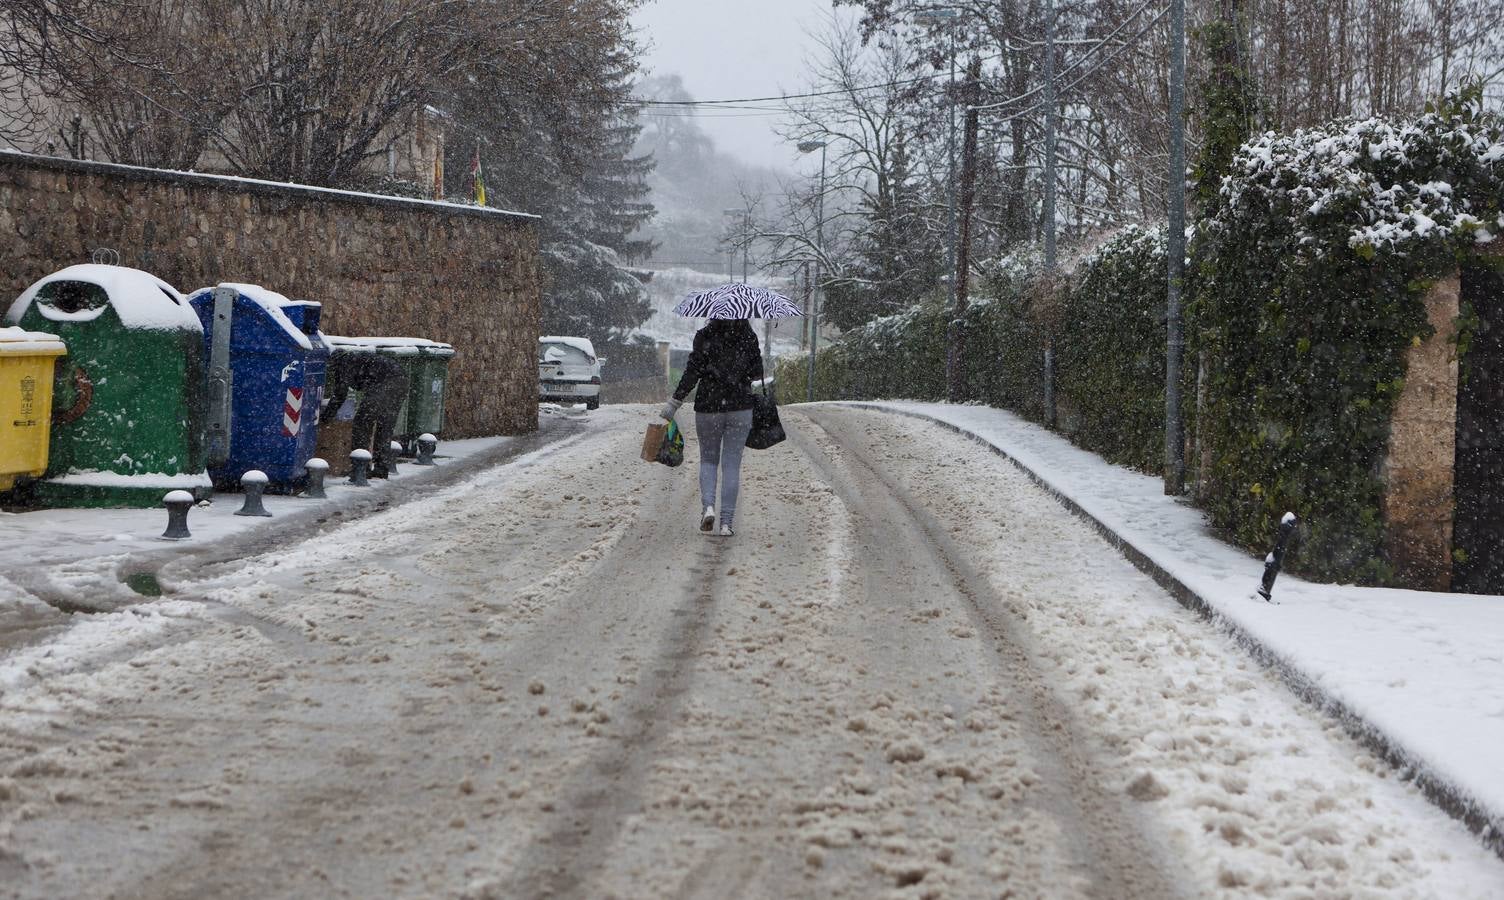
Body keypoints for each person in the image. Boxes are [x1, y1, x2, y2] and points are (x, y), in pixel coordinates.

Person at [660, 318, 764, 537]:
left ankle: (708, 507)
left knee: (708, 460)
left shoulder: (704, 336)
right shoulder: (748, 336)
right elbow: (757, 373)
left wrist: (675, 402)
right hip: (740, 406)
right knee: (731, 464)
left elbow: (692, 372)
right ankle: (726, 524)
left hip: (709, 406)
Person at [322, 350, 409, 478]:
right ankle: (381, 468)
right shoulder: (357, 358)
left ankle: (361, 468)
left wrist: (326, 416)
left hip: (384, 385)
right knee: (385, 426)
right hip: (401, 381)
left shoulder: (345, 364)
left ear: (335, 363)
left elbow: (340, 393)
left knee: (361, 424)